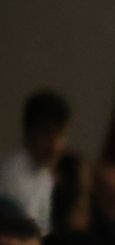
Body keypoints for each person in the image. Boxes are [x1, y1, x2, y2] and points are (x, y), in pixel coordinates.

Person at [3, 92, 69, 229]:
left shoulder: (45, 177)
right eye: (47, 134)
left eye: (60, 135)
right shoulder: (10, 175)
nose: (54, 146)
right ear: (29, 132)